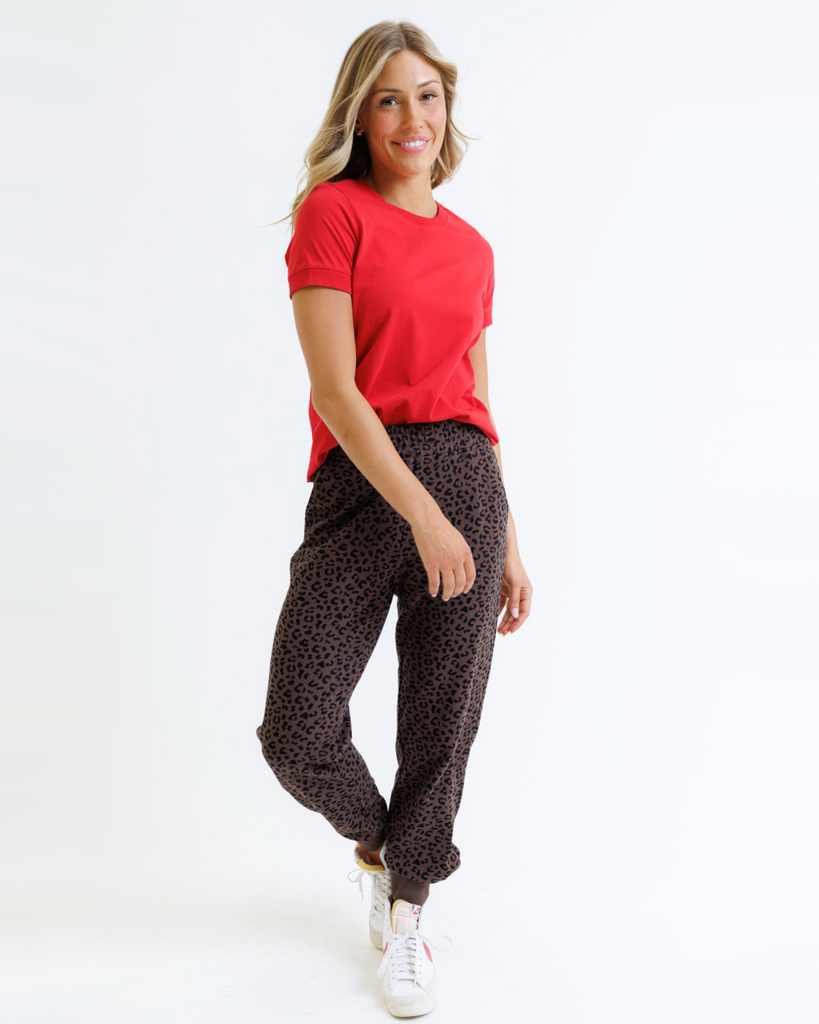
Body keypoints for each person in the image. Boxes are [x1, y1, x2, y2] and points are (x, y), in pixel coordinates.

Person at [256, 20, 533, 1019]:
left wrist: (504, 535)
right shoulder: (332, 216)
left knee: (440, 725)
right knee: (296, 729)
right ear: (360, 117)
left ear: (446, 106)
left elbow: (478, 397)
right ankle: (382, 847)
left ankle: (409, 911)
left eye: (427, 95)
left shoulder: (472, 247)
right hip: (363, 489)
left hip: (465, 483)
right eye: (389, 99)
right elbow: (337, 391)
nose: (413, 117)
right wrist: (419, 514)